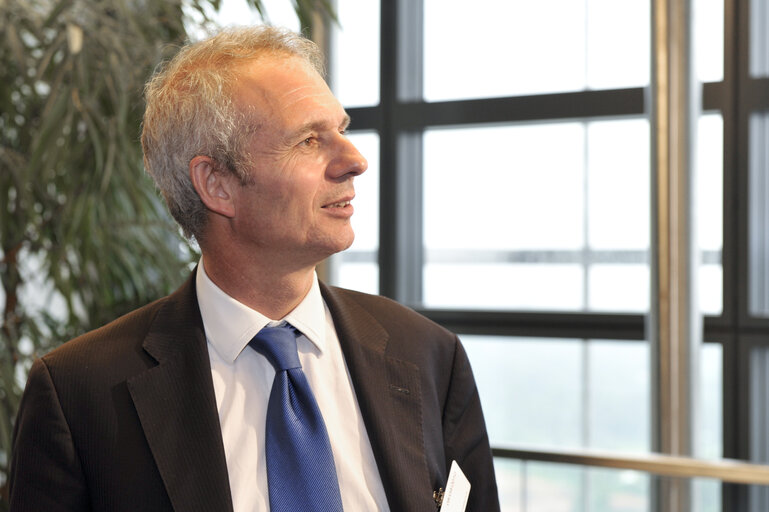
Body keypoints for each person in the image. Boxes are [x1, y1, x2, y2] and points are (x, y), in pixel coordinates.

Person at [9, 25, 499, 512]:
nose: (354, 160)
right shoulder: (80, 395)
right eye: (309, 140)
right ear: (216, 183)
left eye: (341, 130)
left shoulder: (430, 357)